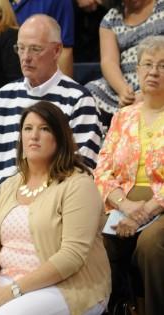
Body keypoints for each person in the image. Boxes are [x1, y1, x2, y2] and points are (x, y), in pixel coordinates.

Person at [0, 101, 110, 315]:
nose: (34, 135)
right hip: (7, 281)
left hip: (68, 286)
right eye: (28, 129)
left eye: (44, 129)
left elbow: (72, 255)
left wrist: (12, 291)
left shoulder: (78, 185)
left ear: (60, 138)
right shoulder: (9, 185)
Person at [0, 14, 102, 197]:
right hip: (1, 203)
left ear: (57, 51)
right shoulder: (2, 97)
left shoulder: (79, 99)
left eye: (35, 49)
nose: (26, 57)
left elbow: (83, 167)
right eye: (21, 48)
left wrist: (39, 203)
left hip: (54, 205)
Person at [94, 35, 164, 315]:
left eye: (162, 65)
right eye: (147, 64)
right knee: (95, 238)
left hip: (159, 204)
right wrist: (124, 206)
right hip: (123, 203)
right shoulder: (123, 116)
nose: (154, 71)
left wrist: (143, 213)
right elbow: (102, 169)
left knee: (151, 244)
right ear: (136, 72)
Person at [85, 0, 164, 129]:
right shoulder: (110, 19)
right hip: (124, 82)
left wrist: (144, 92)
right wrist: (123, 91)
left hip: (157, 74)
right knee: (89, 92)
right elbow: (108, 61)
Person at [11, 0, 75, 77]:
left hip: (46, 80)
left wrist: (63, 87)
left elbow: (64, 49)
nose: (26, 57)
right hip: (10, 80)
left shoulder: (57, 2)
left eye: (35, 49)